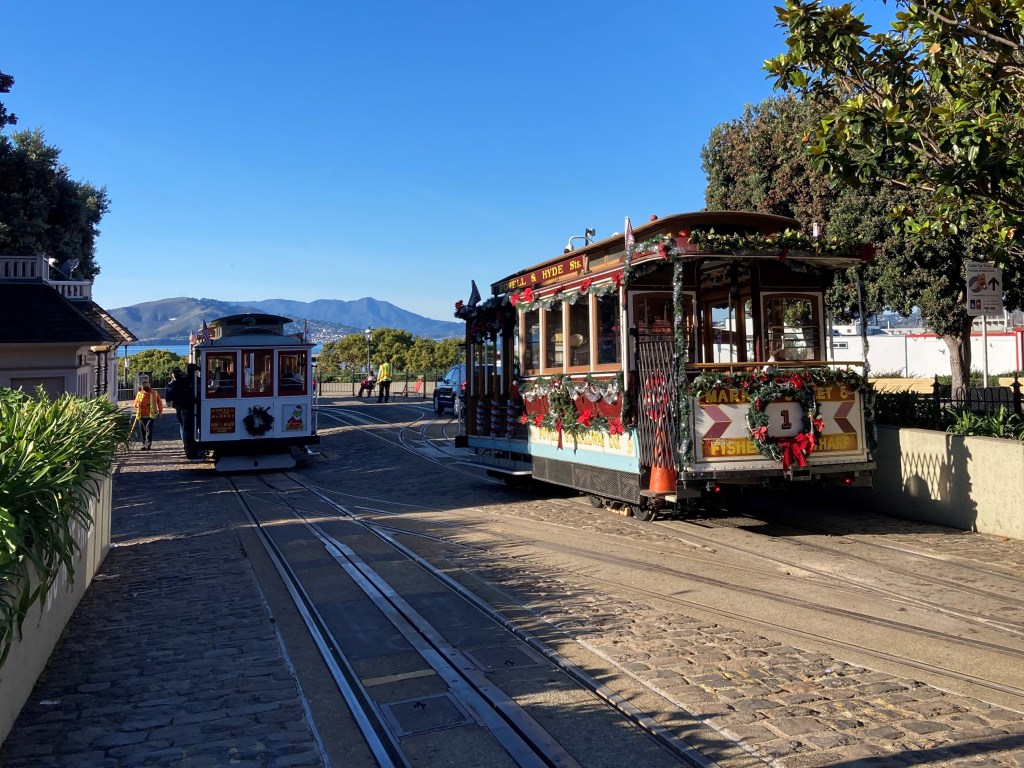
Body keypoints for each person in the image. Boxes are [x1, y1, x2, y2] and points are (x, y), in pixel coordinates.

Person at [164, 368, 195, 455]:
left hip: (180, 407)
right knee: (186, 427)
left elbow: (168, 398)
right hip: (186, 406)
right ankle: (187, 447)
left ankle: (186, 446)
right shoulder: (184, 381)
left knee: (184, 427)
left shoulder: (172, 384)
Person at [133, 381, 163, 450]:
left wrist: (160, 412)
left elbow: (160, 403)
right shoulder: (139, 394)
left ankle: (148, 444)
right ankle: (144, 444)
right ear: (142, 387)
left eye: (147, 386)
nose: (146, 387)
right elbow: (135, 402)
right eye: (144, 386)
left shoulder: (154, 393)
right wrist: (136, 405)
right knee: (143, 430)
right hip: (141, 415)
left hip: (151, 415)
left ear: (150, 386)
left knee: (148, 429)